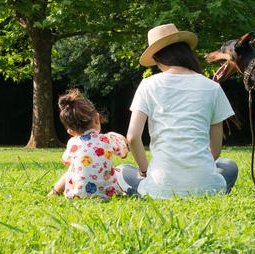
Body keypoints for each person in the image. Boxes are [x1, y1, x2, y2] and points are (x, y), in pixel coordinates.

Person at [120, 23, 239, 198]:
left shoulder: (148, 85)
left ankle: (142, 190)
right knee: (229, 166)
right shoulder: (212, 87)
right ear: (185, 53)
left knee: (122, 170)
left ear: (158, 58)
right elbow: (215, 149)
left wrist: (145, 170)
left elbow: (132, 137)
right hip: (206, 185)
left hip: (159, 185)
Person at [49, 88, 134, 200]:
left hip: (76, 196)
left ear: (71, 132)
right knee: (117, 170)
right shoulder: (109, 139)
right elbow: (124, 153)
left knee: (72, 168)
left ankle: (54, 192)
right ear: (97, 119)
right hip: (109, 195)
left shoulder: (73, 143)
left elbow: (66, 160)